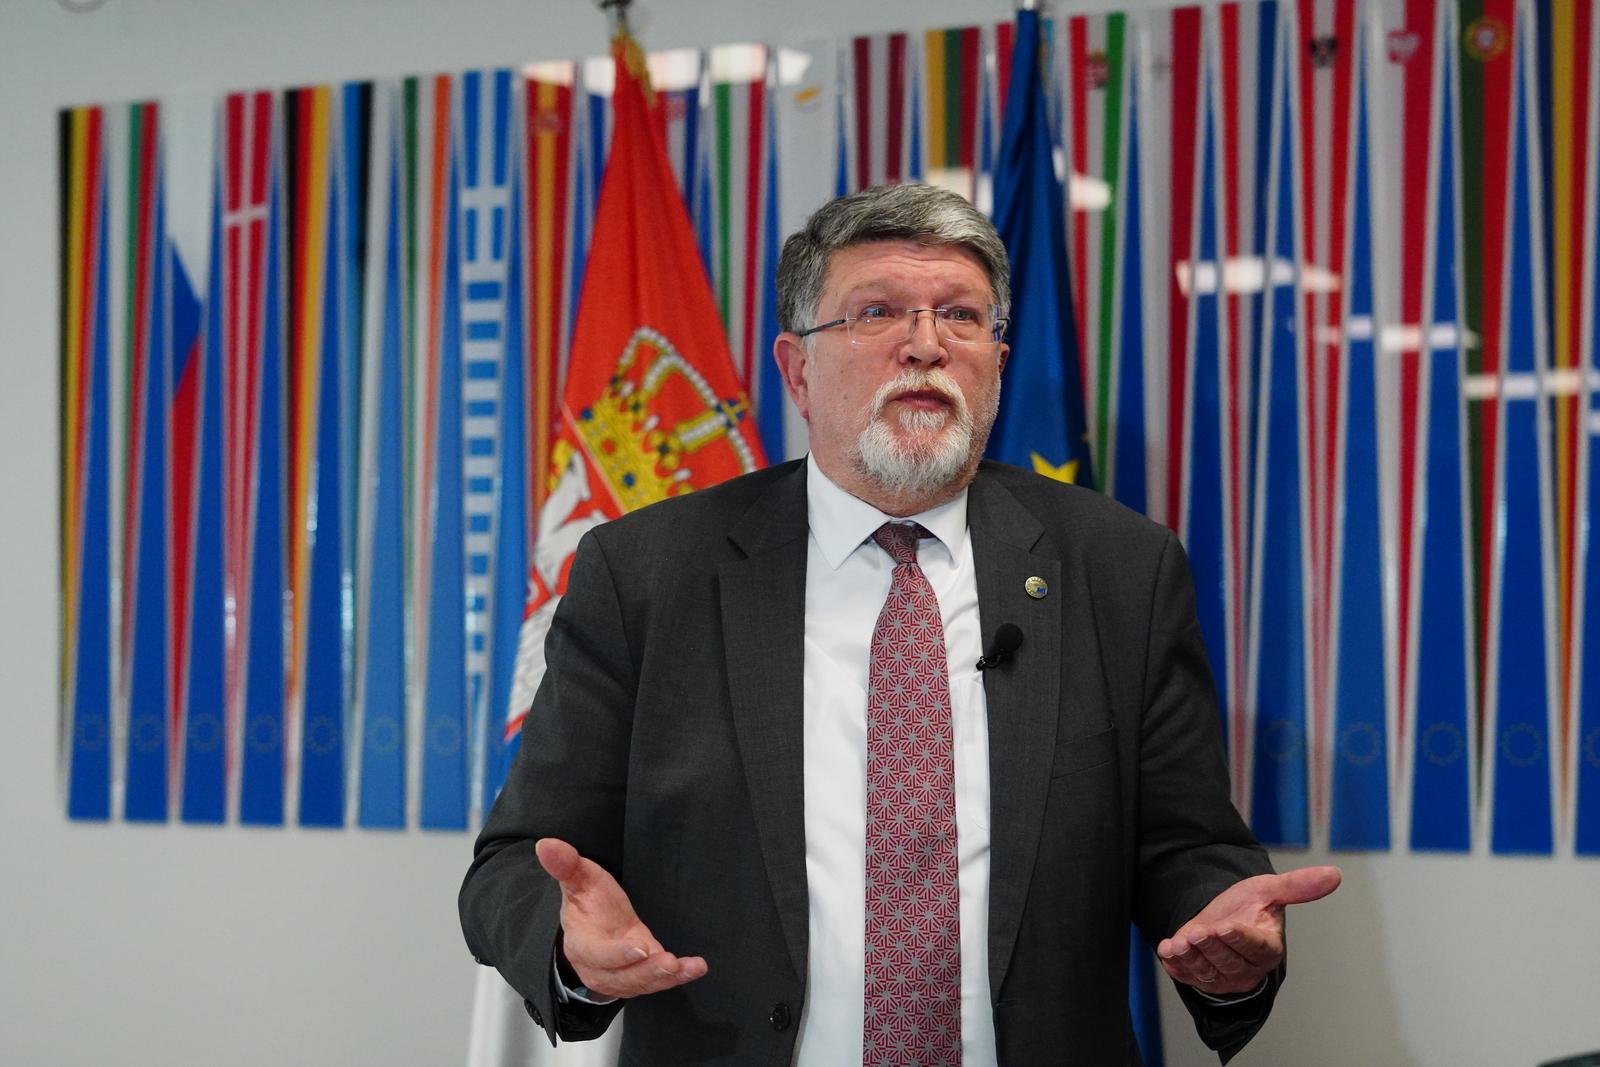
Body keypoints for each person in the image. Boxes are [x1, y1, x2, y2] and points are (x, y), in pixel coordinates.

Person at [459, 183, 1340, 1066]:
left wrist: (1228, 949)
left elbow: (1187, 846)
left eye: (960, 317)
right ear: (798, 369)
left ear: (995, 360)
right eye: (877, 312)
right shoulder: (647, 571)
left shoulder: (1118, 568)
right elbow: (513, 863)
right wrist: (574, 954)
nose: (925, 345)